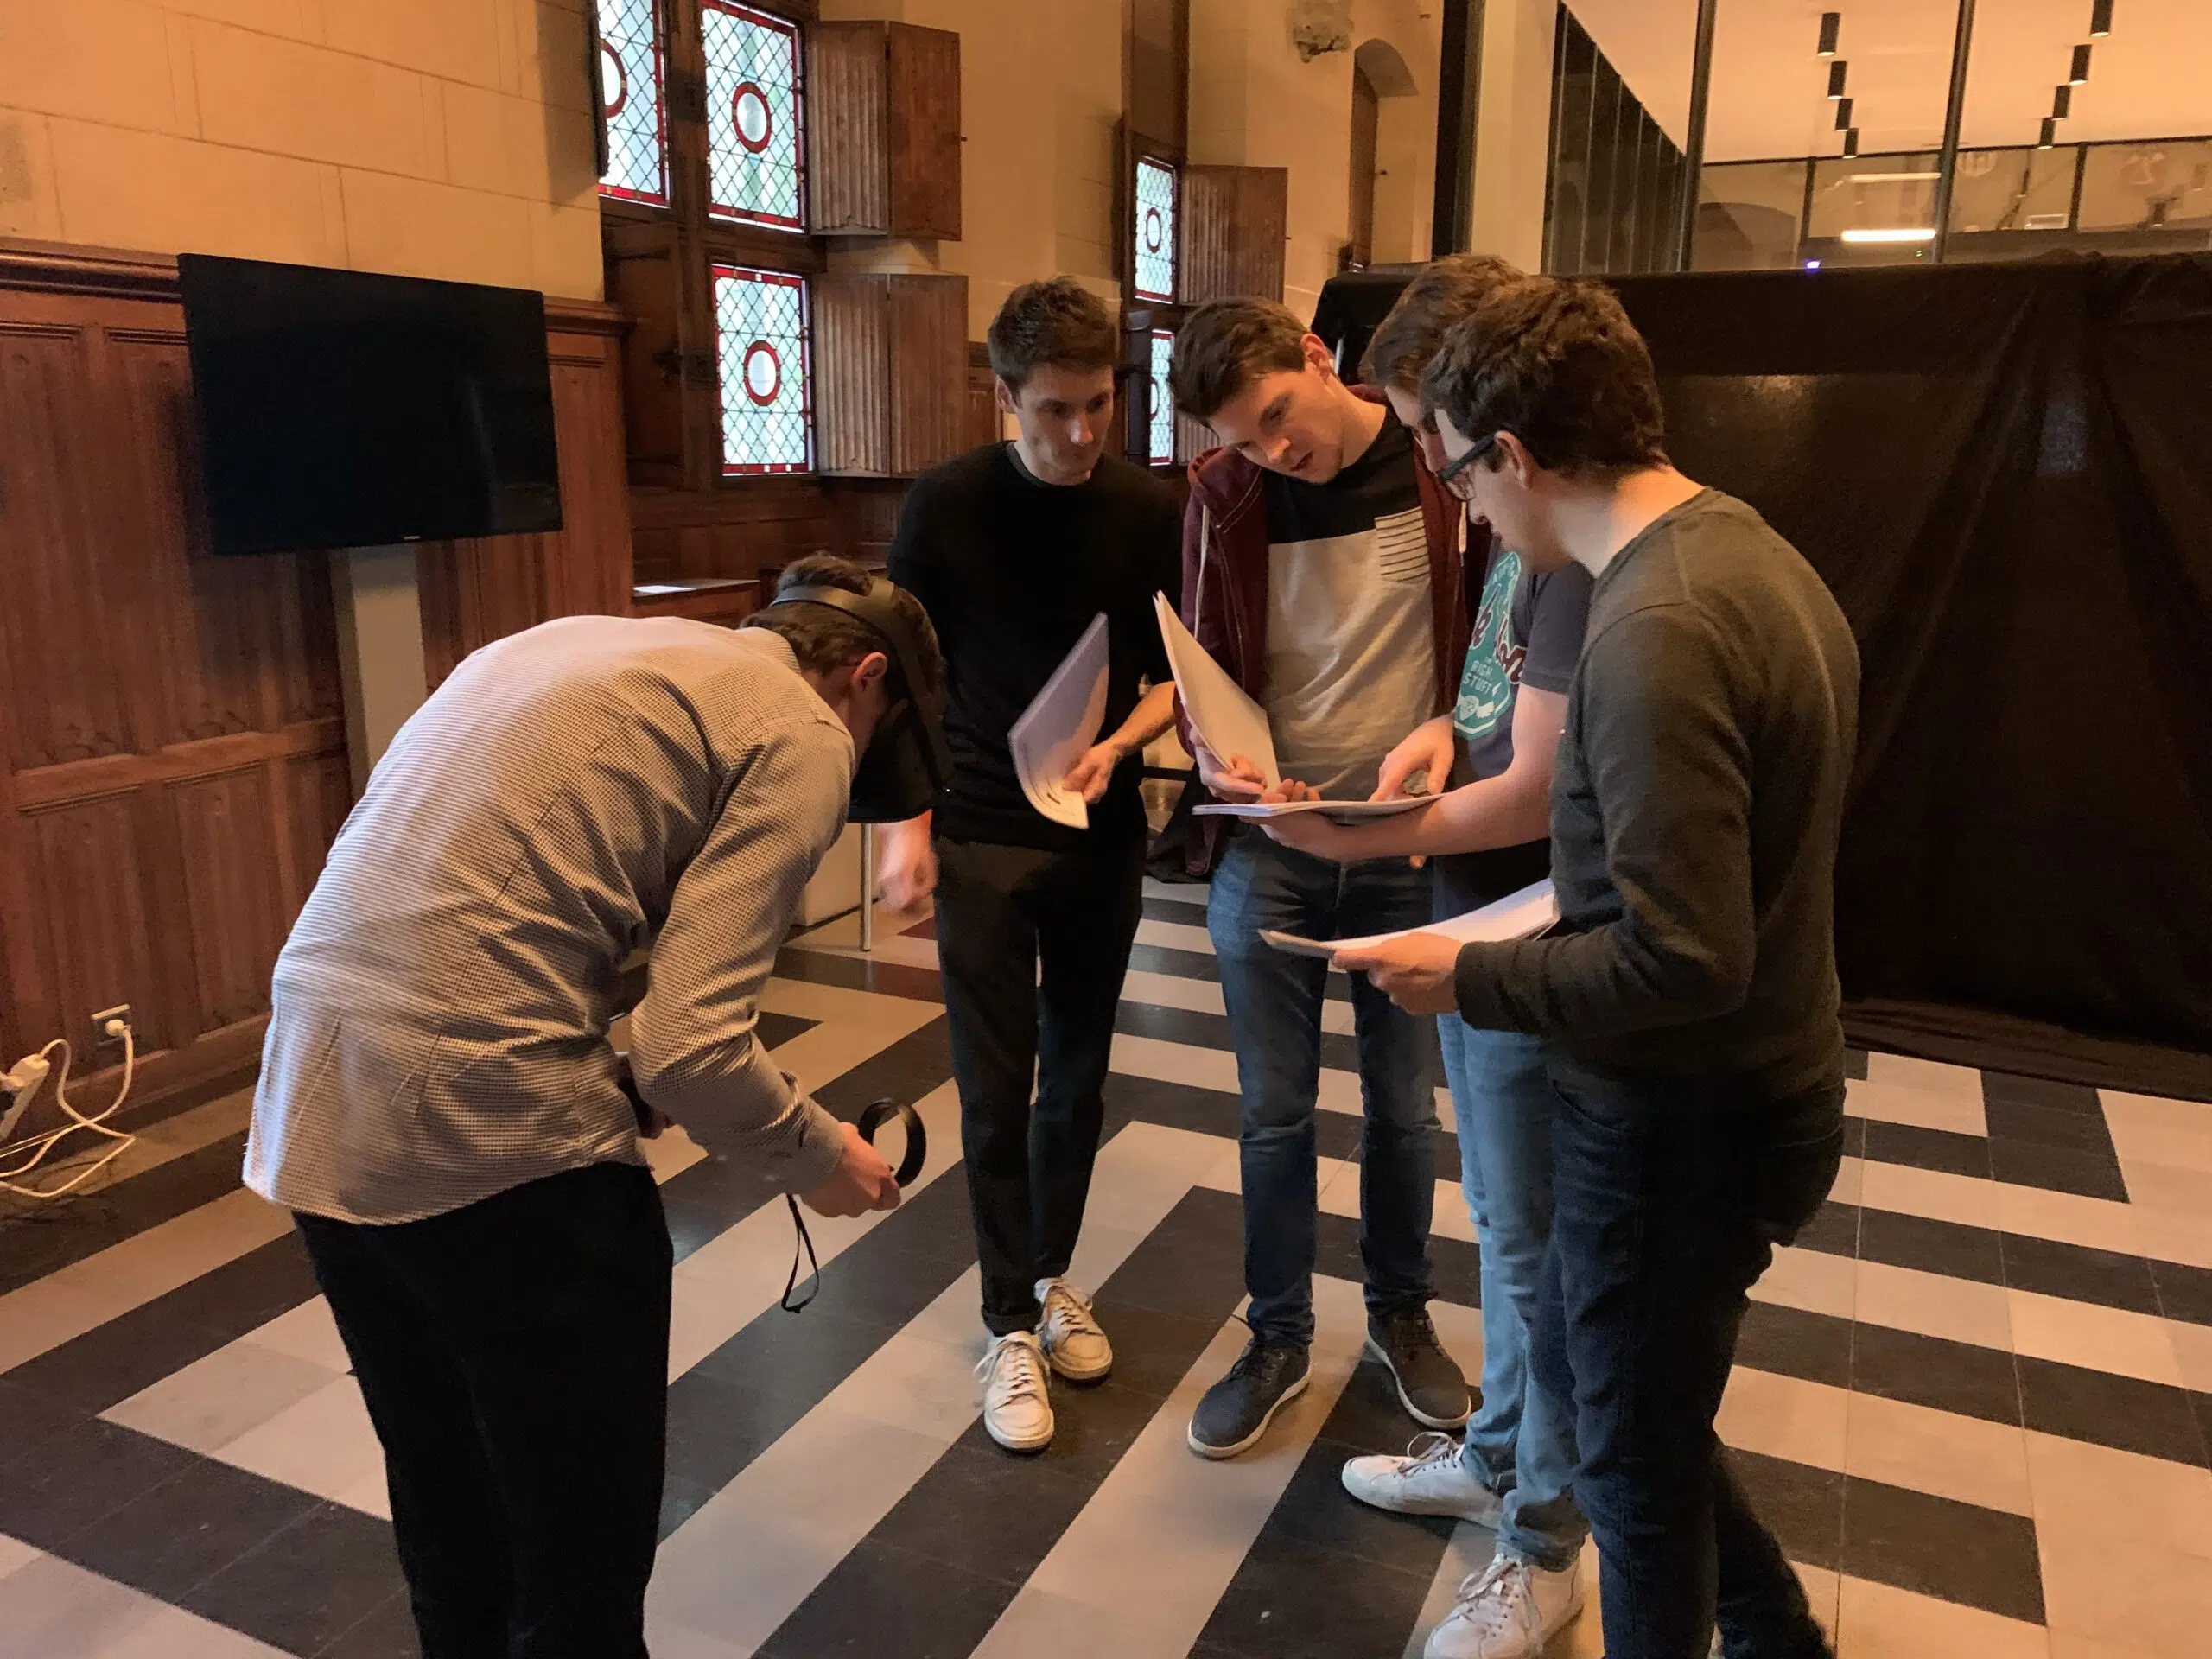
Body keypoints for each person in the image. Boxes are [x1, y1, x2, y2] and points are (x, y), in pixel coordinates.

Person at [244, 554, 940, 1658]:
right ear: (865, 678)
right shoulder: (802, 729)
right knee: (581, 1565)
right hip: (494, 1145)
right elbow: (693, 1050)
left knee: (449, 1511)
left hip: (311, 1100)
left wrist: (603, 1068)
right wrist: (820, 1158)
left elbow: (473, 912)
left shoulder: (559, 641)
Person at [1340, 276, 1860, 1659]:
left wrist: (1466, 976)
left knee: (1629, 1472)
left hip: (1683, 1121)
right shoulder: (1739, 548)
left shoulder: (1654, 630)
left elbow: (1685, 957)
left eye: (1460, 472)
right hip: (1749, 1090)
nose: (1466, 508)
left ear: (1513, 455)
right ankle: (1775, 1635)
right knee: (1628, 1404)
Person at [1260, 259, 1597, 1659]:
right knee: (1508, 1233)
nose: (1434, 474)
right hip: (1475, 923)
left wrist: (1352, 834)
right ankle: (1502, 1457)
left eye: (1434, 441)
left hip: (1525, 934)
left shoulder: (1574, 549)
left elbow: (1539, 790)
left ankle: (1546, 1541)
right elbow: (1489, 715)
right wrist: (1431, 741)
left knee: (1538, 1251)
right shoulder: (1521, 536)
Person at [878, 276, 1183, 1454]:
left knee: (1080, 1077)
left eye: (1099, 404)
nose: (1082, 432)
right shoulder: (948, 504)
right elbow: (902, 678)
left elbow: (1177, 676)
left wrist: (1121, 745)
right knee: (994, 1084)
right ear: (1005, 395)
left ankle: (1054, 1280)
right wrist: (905, 825)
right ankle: (1006, 1320)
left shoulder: (1146, 510)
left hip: (1097, 827)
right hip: (979, 827)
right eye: (1055, 409)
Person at [1166, 296, 1474, 1460]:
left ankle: (1401, 1312)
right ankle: (1278, 1335)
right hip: (1277, 844)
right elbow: (1205, 672)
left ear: (1316, 357)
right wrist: (1220, 757)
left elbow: (1490, 647)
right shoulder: (1225, 495)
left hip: (1406, 839)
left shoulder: (1436, 459)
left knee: (1402, 1107)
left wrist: (1454, 732)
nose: (1272, 452)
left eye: (1277, 418)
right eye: (1244, 438)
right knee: (1271, 1113)